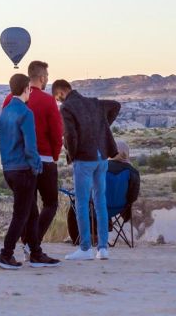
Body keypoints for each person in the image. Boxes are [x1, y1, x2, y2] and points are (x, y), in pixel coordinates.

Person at [53, 79, 121, 261]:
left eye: (58, 98)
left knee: (82, 203)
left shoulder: (67, 107)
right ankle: (103, 248)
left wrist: (72, 155)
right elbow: (116, 105)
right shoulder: (94, 102)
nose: (59, 102)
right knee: (100, 201)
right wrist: (102, 128)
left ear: (60, 93)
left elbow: (70, 134)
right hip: (102, 157)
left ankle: (85, 248)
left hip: (84, 158)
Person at [0, 74, 60, 270]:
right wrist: (37, 167)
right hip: (24, 169)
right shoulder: (26, 113)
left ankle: (36, 253)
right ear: (27, 89)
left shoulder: (4, 112)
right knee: (22, 214)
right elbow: (30, 146)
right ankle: (6, 254)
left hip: (9, 168)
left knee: (31, 213)